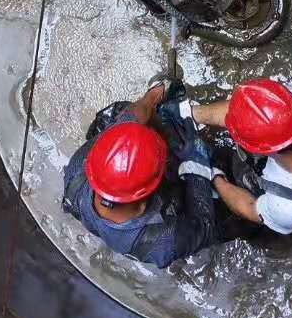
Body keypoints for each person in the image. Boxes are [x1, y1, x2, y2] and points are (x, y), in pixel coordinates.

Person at [63, 79, 238, 268]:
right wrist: (197, 166)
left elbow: (130, 119)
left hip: (120, 203)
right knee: (227, 205)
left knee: (123, 111)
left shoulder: (78, 168)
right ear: (146, 196)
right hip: (172, 219)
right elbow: (203, 223)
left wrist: (153, 96)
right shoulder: (164, 241)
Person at [187, 78, 292, 235]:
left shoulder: (288, 209)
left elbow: (249, 207)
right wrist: (191, 114)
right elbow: (254, 108)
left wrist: (213, 176)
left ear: (260, 151)